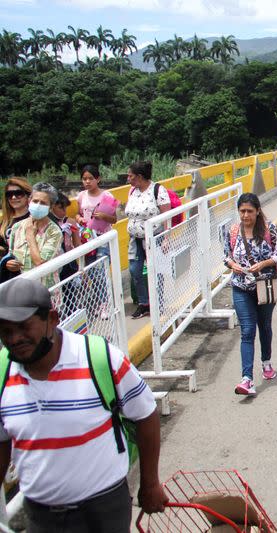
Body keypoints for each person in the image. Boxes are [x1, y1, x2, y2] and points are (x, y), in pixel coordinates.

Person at [0, 277, 168, 531]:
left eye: (24, 327)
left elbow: (145, 414)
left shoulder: (98, 357)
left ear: (52, 320)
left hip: (103, 512)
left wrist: (150, 483)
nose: (14, 338)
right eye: (5, 331)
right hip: (41, 517)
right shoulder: (2, 372)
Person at [223, 193, 277, 396]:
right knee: (247, 331)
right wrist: (233, 265)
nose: (245, 215)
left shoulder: (269, 229)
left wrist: (265, 263)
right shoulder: (232, 231)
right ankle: (247, 379)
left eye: (249, 211)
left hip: (265, 285)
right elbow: (226, 255)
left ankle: (266, 362)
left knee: (264, 326)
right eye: (242, 211)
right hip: (241, 287)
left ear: (258, 211)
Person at [125, 161, 172, 319]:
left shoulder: (158, 190)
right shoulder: (132, 191)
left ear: (139, 177)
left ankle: (158, 303)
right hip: (136, 239)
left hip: (155, 238)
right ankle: (144, 303)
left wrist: (166, 238)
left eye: (130, 175)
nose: (128, 178)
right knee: (135, 271)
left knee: (156, 271)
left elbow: (167, 216)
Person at [5, 183, 63, 289]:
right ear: (29, 201)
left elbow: (40, 263)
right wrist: (10, 264)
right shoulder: (17, 227)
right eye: (35, 201)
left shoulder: (54, 232)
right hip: (22, 289)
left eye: (43, 203)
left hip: (45, 291)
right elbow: (12, 255)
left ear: (50, 207)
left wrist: (30, 236)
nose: (38, 205)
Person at [76, 164, 119, 259]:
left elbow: (114, 219)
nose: (87, 182)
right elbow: (78, 214)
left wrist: (104, 216)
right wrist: (79, 219)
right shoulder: (81, 196)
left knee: (102, 266)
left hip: (103, 237)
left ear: (98, 179)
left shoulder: (107, 196)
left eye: (91, 178)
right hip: (87, 237)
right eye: (84, 179)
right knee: (89, 266)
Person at [0, 178, 32, 257]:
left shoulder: (38, 217)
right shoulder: (5, 222)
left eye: (18, 193)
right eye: (9, 194)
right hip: (11, 267)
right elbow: (4, 248)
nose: (13, 197)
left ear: (28, 195)